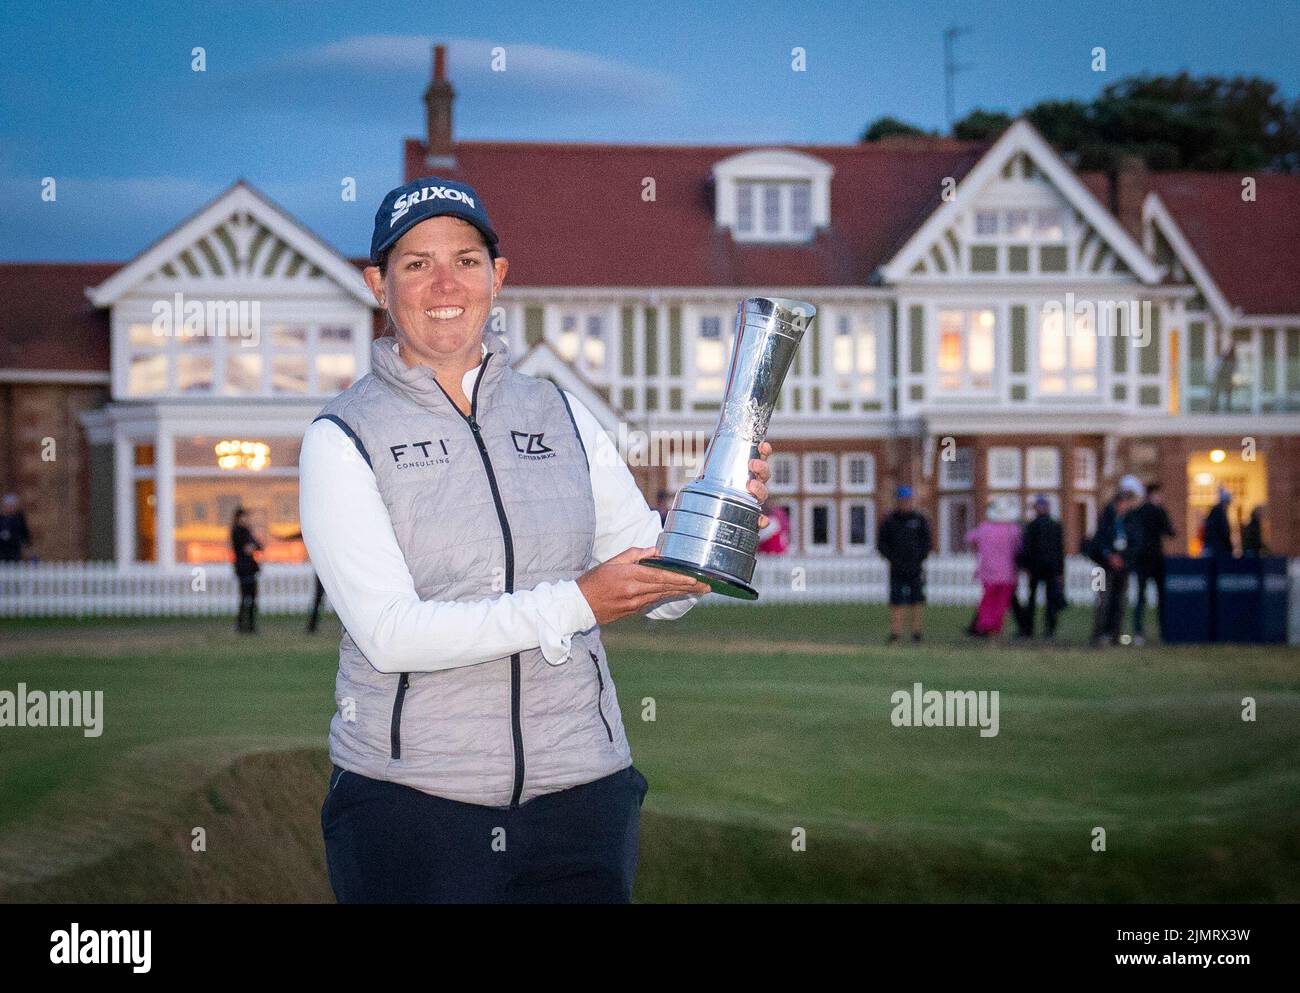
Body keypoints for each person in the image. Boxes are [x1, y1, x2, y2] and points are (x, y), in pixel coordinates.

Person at [298, 175, 775, 903]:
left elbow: (661, 587)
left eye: (465, 258)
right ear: (377, 284)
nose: (444, 282)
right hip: (413, 808)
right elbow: (391, 634)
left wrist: (719, 517)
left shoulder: (561, 413)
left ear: (499, 276)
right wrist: (579, 601)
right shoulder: (342, 437)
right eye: (416, 263)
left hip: (581, 797)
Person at [1087, 477, 1143, 647]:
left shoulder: (1131, 521)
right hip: (1102, 568)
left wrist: (1123, 558)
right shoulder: (1106, 519)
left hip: (1122, 568)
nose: (1124, 506)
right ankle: (1098, 635)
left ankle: (1115, 635)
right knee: (1102, 600)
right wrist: (1109, 556)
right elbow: (1098, 541)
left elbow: (1135, 543)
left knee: (1120, 602)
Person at [877, 486, 931, 644]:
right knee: (896, 600)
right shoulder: (890, 520)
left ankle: (916, 633)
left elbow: (926, 541)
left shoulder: (919, 520)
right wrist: (891, 558)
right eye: (902, 501)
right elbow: (882, 543)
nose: (905, 504)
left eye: (908, 501)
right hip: (897, 567)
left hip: (915, 567)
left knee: (916, 600)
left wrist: (920, 557)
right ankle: (895, 632)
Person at [964, 501, 1023, 638]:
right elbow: (1020, 548)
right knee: (1001, 603)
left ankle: (984, 625)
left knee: (987, 600)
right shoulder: (1013, 530)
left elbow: (969, 538)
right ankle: (996, 627)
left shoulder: (984, 528)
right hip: (1007, 573)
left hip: (988, 572)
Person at [1129, 482, 1176, 644]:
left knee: (1141, 597)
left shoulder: (1138, 512)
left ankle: (1138, 633)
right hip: (1152, 558)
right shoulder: (1157, 511)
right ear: (1152, 495)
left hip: (1144, 559)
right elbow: (1170, 532)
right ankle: (1163, 632)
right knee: (1158, 597)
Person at [1014, 494, 1065, 640]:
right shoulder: (1032, 526)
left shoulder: (1052, 525)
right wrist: (1026, 566)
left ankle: (1046, 630)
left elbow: (1059, 550)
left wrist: (1060, 571)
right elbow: (1027, 549)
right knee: (1033, 600)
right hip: (1038, 568)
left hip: (1047, 569)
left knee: (1048, 601)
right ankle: (1031, 630)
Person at [286, 529, 327, 633]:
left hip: (324, 570)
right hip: (324, 570)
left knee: (320, 599)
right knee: (319, 598)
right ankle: (312, 625)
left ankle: (312, 625)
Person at [230, 506, 263, 634]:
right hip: (243, 569)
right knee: (245, 598)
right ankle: (241, 625)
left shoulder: (247, 531)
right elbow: (246, 549)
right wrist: (251, 547)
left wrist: (252, 546)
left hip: (250, 568)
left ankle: (250, 625)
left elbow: (257, 546)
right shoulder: (237, 532)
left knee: (252, 598)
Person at [1202, 487, 1234, 558]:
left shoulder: (1217, 513)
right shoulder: (1219, 513)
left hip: (1217, 549)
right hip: (1218, 550)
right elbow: (1223, 532)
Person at [0, 493, 32, 562]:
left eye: (12, 506)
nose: (10, 508)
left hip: (14, 550)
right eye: (8, 506)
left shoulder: (19, 519)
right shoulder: (1, 519)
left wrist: (27, 546)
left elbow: (25, 534)